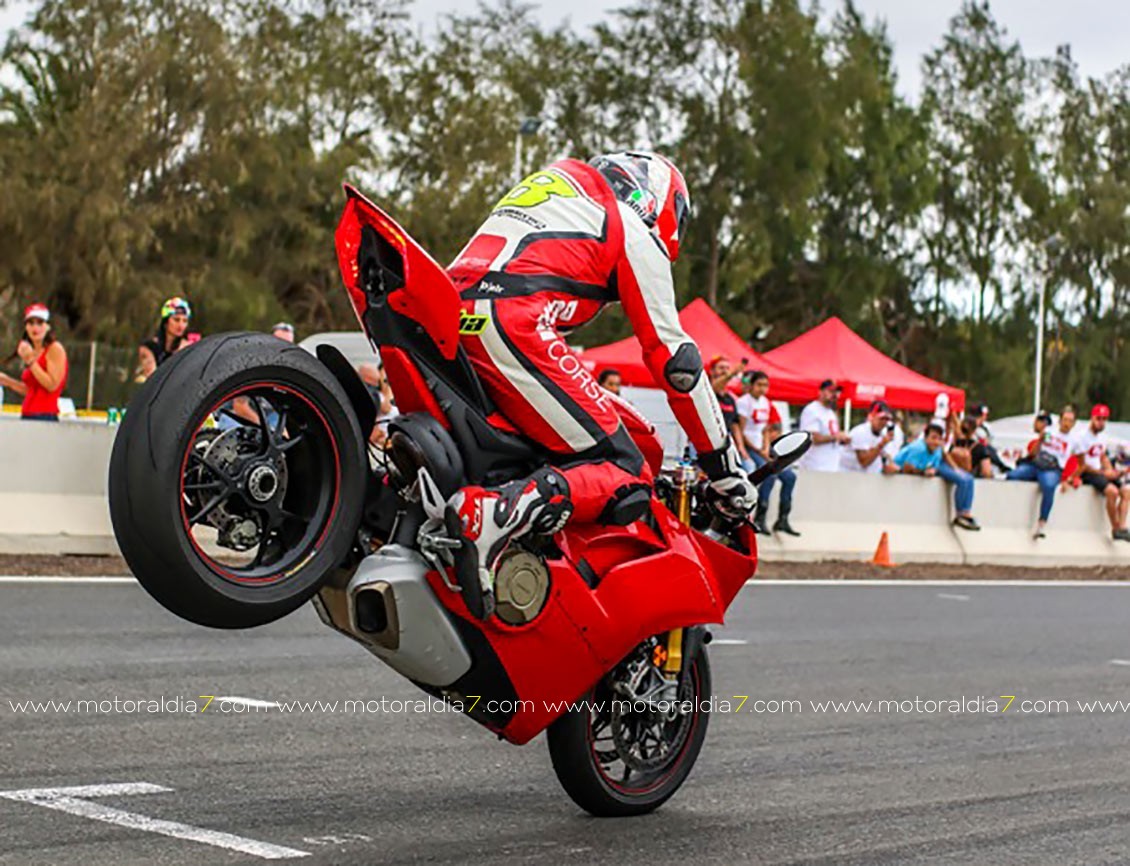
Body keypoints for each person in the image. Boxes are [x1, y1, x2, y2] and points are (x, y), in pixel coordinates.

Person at [443, 152, 758, 618]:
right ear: (664, 203)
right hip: (511, 318)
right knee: (624, 466)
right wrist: (723, 464)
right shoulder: (632, 224)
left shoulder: (564, 186)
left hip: (450, 315)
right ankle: (495, 516)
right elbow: (676, 361)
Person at [737, 370, 798, 536]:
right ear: (751, 385)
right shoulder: (743, 402)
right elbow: (741, 431)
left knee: (790, 477)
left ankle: (783, 518)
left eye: (765, 385)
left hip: (762, 446)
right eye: (759, 385)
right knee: (769, 474)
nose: (762, 389)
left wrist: (765, 447)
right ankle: (760, 516)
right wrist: (758, 450)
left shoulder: (766, 403)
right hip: (749, 446)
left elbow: (766, 429)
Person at [893, 422, 980, 530]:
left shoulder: (937, 447)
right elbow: (907, 468)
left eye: (939, 439)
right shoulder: (918, 449)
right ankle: (961, 513)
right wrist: (924, 472)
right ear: (925, 438)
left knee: (967, 478)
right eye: (933, 438)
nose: (936, 442)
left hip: (933, 466)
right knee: (962, 480)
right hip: (917, 469)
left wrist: (955, 468)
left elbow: (944, 454)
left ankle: (965, 511)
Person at [1007, 408, 1078, 539]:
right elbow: (1033, 453)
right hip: (1037, 463)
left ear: (1074, 424)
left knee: (1049, 486)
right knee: (1013, 475)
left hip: (1053, 468)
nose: (1066, 424)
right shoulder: (1050, 432)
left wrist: (1069, 478)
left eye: (1070, 421)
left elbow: (1079, 460)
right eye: (1065, 420)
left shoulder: (1074, 440)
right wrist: (1040, 440)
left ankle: (1042, 521)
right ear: (1060, 421)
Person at [1067, 404, 1130, 541]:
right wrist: (1103, 472)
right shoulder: (1082, 437)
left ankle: (1122, 526)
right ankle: (1115, 527)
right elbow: (1082, 464)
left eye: (1104, 419)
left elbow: (1102, 456)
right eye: (1098, 419)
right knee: (1112, 491)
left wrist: (1109, 470)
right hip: (1087, 471)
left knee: (1126, 491)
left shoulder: (1102, 437)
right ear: (1092, 418)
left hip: (1099, 470)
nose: (1101, 422)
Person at [0, 303, 68, 421]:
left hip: (45, 415)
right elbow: (33, 391)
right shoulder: (33, 351)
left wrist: (31, 361)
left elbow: (52, 385)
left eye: (40, 323)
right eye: (31, 323)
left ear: (48, 326)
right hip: (28, 414)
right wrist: (8, 381)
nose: (35, 328)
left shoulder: (54, 349)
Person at [798, 379, 850, 471]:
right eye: (830, 391)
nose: (834, 394)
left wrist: (842, 439)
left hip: (831, 465)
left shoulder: (831, 412)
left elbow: (831, 436)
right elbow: (813, 438)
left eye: (837, 391)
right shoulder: (812, 410)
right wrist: (836, 437)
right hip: (814, 465)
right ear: (820, 392)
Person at [137, 297, 193, 381]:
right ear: (166, 322)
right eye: (176, 320)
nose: (181, 325)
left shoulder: (189, 348)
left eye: (184, 321)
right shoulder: (149, 347)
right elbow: (152, 378)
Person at [841, 400, 896, 475]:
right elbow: (864, 462)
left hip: (867, 479)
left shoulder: (883, 435)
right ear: (871, 417)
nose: (884, 422)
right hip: (848, 477)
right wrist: (882, 444)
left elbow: (886, 458)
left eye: (887, 419)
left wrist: (889, 467)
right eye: (881, 418)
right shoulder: (860, 432)